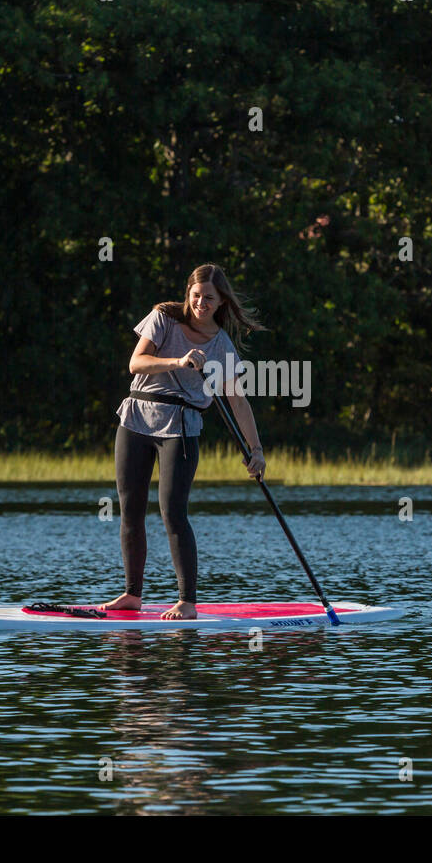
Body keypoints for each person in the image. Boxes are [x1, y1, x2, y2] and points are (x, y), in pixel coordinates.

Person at [102, 264, 267, 620]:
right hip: (136, 419)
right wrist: (179, 361)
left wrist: (256, 451)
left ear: (221, 301)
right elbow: (136, 362)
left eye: (208, 298)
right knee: (130, 509)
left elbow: (237, 400)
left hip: (182, 426)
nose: (200, 303)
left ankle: (187, 601)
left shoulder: (221, 345)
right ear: (187, 294)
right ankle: (132, 595)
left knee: (173, 512)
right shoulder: (163, 317)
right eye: (195, 296)